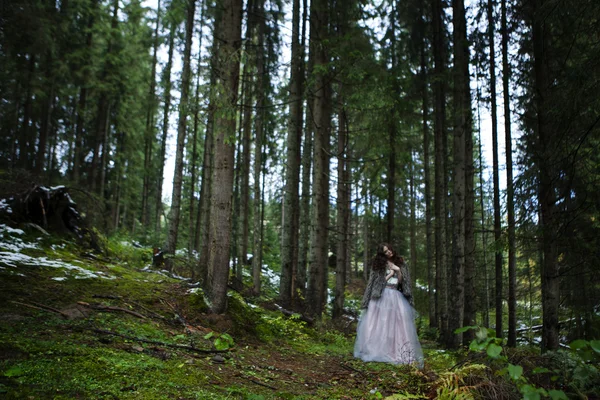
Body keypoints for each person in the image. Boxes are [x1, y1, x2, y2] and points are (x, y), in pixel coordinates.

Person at [354, 243, 424, 367]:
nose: (389, 252)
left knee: (398, 325)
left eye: (389, 250)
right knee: (380, 324)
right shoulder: (379, 265)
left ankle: (397, 351)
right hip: (381, 296)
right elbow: (375, 283)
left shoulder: (401, 262)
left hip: (396, 296)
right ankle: (377, 350)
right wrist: (390, 274)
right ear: (382, 254)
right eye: (386, 252)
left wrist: (398, 271)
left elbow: (403, 282)